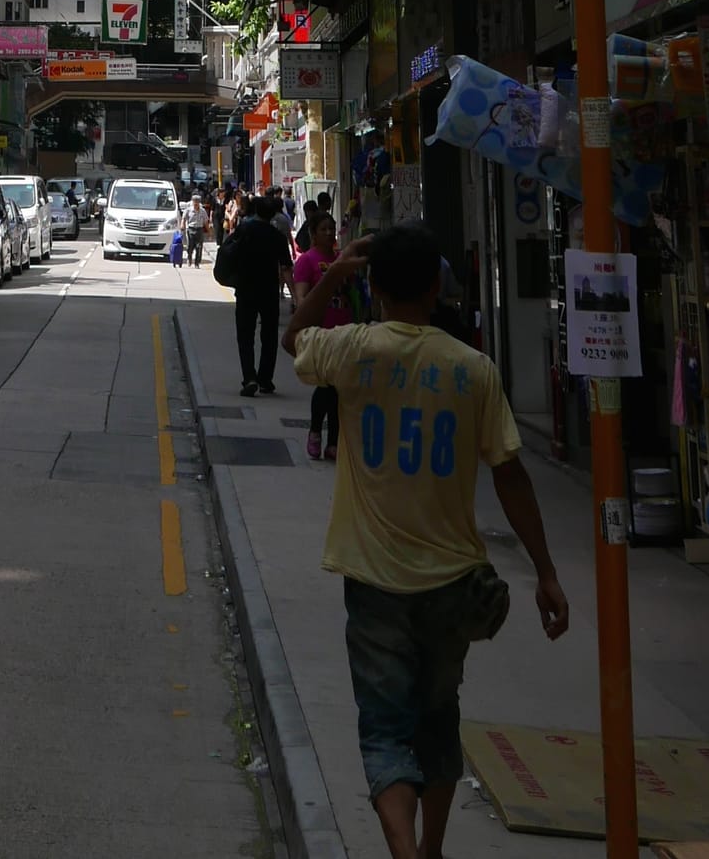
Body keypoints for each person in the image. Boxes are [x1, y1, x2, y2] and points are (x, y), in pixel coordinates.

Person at [284, 225, 569, 859]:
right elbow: (512, 475)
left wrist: (332, 275)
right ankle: (433, 850)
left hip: (374, 579)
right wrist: (546, 570)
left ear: (375, 287)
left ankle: (407, 855)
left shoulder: (354, 349)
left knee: (385, 728)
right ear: (438, 287)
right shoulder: (473, 369)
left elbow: (292, 339)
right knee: (439, 722)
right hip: (451, 582)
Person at [292, 220, 352, 462]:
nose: (328, 233)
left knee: (340, 387)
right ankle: (316, 430)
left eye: (331, 229)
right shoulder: (307, 260)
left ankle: (334, 442)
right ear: (313, 233)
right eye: (323, 229)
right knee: (326, 384)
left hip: (345, 331)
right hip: (320, 331)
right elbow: (301, 296)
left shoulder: (342, 259)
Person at [223, 194, 294, 396]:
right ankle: (265, 379)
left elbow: (230, 252)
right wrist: (296, 297)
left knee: (245, 336)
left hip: (245, 289)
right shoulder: (277, 237)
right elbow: (287, 268)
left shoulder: (244, 230)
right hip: (269, 291)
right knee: (269, 336)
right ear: (273, 214)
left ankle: (249, 378)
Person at [185, 188, 210, 269]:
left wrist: (209, 231)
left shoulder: (203, 211)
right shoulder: (189, 210)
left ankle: (197, 263)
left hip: (199, 230)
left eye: (197, 202)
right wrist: (182, 225)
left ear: (199, 202)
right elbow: (184, 218)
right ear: (192, 202)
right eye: (194, 201)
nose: (196, 203)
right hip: (191, 229)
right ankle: (189, 258)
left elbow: (206, 222)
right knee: (190, 246)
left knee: (199, 247)